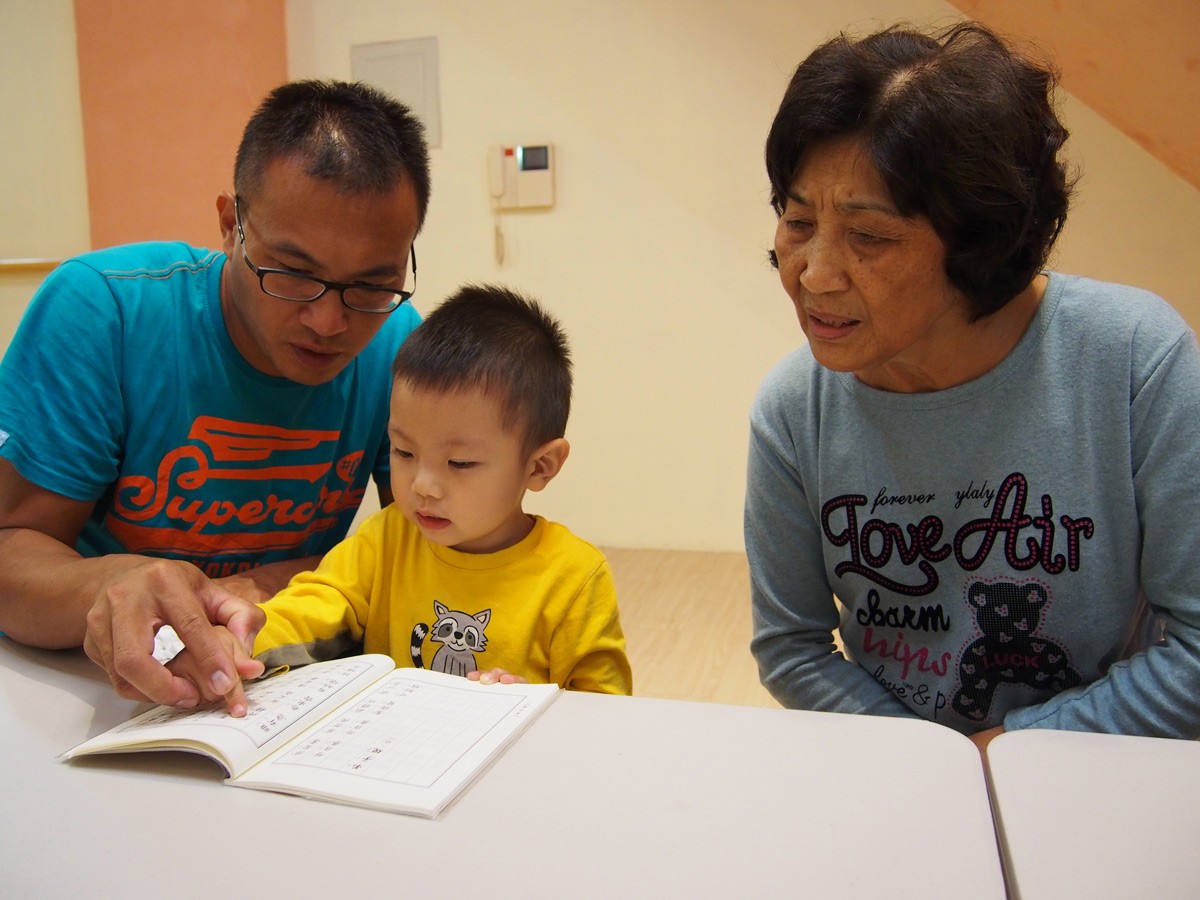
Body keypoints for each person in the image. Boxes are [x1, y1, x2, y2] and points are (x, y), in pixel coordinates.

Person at [746, 21, 1200, 750]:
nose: (815, 273)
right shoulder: (795, 410)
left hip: (1102, 772)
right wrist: (931, 762)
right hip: (905, 778)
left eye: (871, 237)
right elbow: (792, 646)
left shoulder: (1133, 362)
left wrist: (1010, 749)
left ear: (982, 240)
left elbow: (1196, 651)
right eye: (798, 221)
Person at [0, 79, 430, 714]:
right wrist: (118, 582)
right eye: (293, 274)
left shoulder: (398, 345)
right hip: (78, 690)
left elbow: (425, 548)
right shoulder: (105, 313)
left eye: (372, 284)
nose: (330, 322)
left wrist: (258, 584)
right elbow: (11, 550)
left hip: (278, 689)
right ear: (232, 225)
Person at [168, 284, 633, 711]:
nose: (421, 485)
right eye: (404, 451)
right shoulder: (388, 538)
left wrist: (532, 708)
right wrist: (242, 640)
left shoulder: (573, 577)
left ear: (539, 466)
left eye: (460, 464)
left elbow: (609, 712)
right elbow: (314, 603)